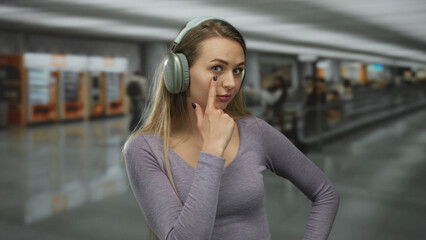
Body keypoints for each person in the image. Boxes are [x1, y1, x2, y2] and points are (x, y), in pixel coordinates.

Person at [123, 17, 339, 240]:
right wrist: (212, 151)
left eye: (237, 70)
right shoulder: (144, 149)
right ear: (179, 74)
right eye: (217, 68)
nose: (231, 83)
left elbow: (325, 193)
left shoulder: (254, 131)